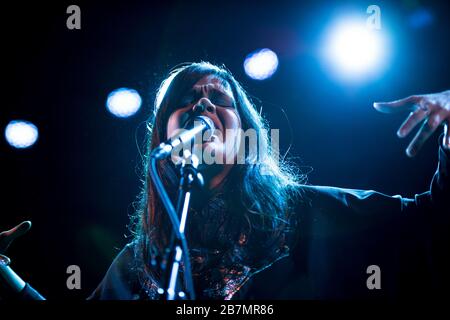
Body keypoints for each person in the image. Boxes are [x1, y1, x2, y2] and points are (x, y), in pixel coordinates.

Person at [2, 62, 449, 300]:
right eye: (186, 100)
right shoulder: (139, 265)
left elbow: (432, 220)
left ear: (247, 134)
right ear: (164, 135)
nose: (203, 106)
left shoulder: (309, 213)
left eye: (218, 98)